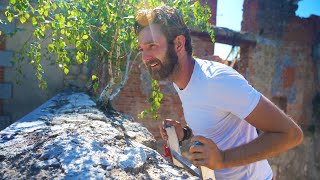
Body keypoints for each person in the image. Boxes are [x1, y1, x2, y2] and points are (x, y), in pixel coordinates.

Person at [134, 5, 303, 180]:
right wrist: (184, 133)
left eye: (152, 46)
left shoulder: (217, 80)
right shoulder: (182, 80)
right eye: (142, 49)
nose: (145, 57)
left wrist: (223, 159)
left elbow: (290, 134)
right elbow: (217, 123)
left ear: (178, 44)